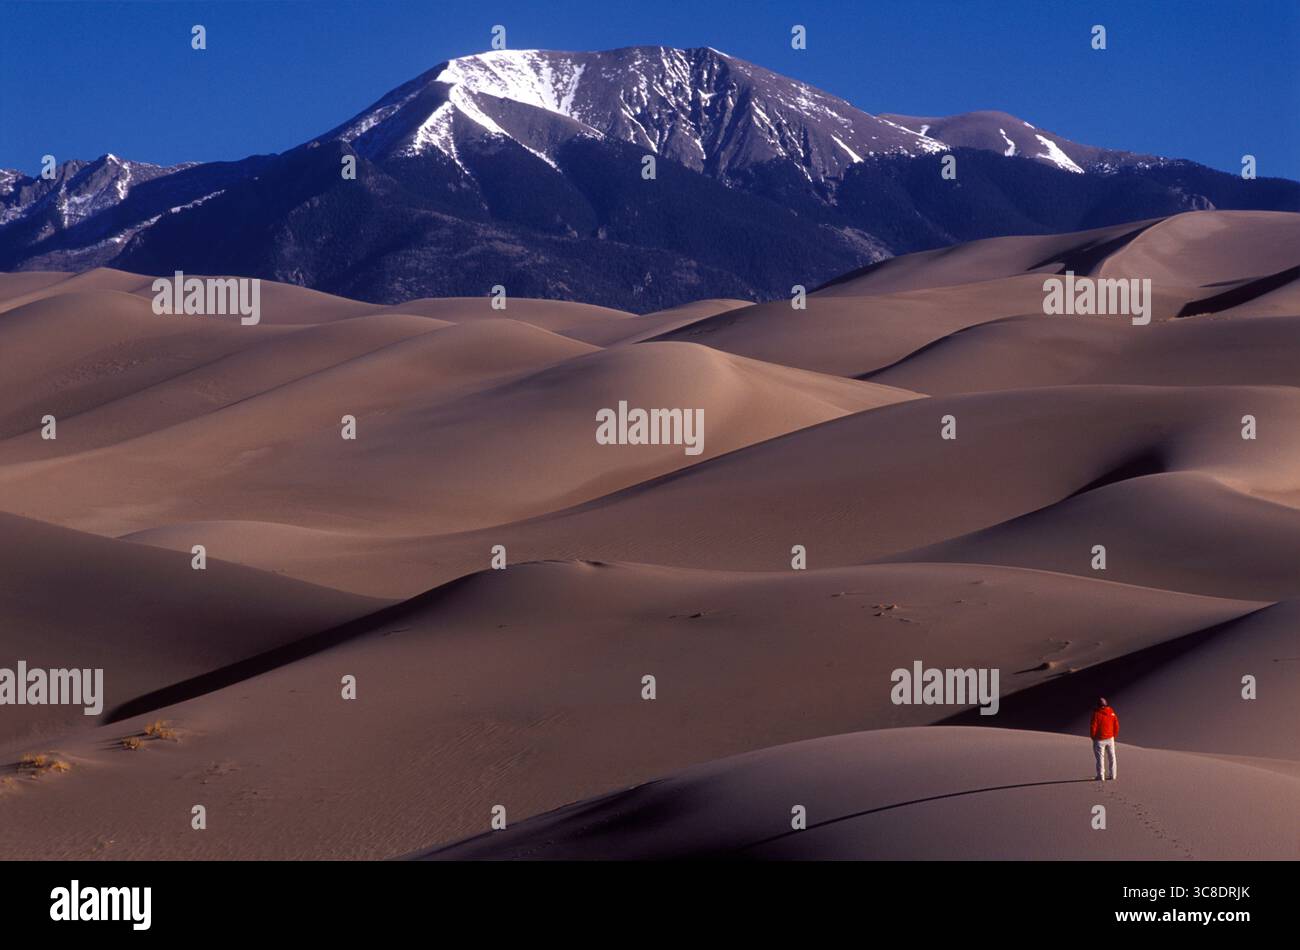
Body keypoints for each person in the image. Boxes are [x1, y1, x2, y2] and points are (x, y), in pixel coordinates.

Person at [1090, 697, 1119, 781]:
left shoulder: (1096, 713)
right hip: (1110, 739)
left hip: (1099, 740)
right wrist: (1114, 735)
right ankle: (1113, 775)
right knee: (1112, 757)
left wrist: (1093, 737)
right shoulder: (1111, 711)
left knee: (1100, 759)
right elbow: (1116, 725)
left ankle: (1101, 776)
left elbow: (1093, 727)